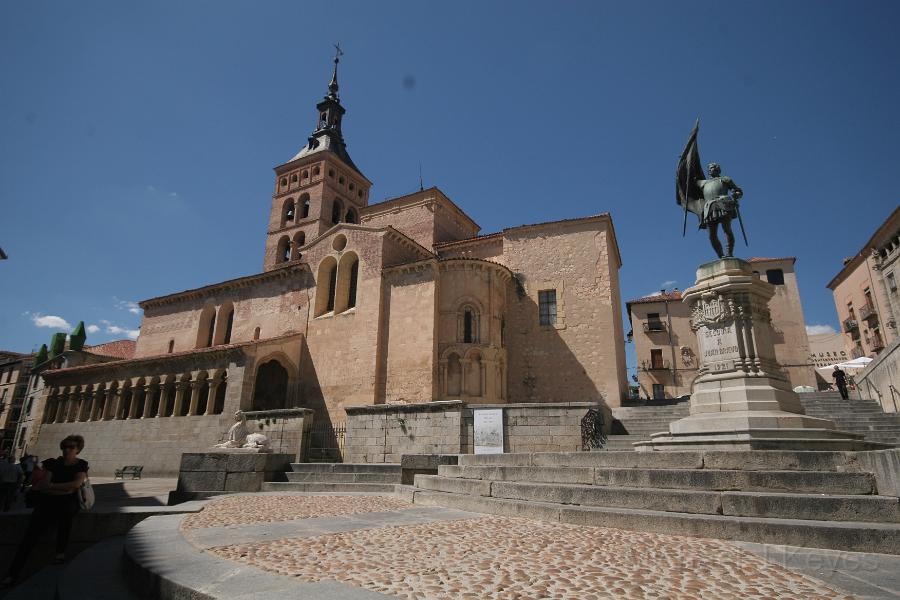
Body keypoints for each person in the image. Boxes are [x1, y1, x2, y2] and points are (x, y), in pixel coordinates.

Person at [1, 435, 88, 587]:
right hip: (48, 503)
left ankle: (60, 553)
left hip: (64, 503)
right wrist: (63, 489)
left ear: (78, 449)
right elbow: (44, 485)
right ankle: (11, 574)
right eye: (65, 447)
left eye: (71, 447)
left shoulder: (81, 465)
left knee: (66, 513)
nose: (67, 450)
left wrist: (54, 487)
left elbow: (76, 484)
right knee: (29, 538)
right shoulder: (52, 463)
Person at [697, 163, 744, 258]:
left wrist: (736, 194)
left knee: (727, 230)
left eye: (712, 168)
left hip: (723, 204)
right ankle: (720, 255)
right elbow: (689, 181)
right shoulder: (703, 183)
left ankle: (729, 253)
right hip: (709, 207)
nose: (710, 170)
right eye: (709, 169)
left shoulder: (725, 179)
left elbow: (738, 191)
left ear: (718, 170)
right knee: (711, 235)